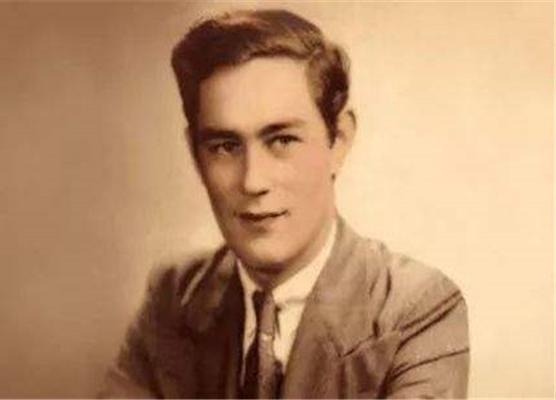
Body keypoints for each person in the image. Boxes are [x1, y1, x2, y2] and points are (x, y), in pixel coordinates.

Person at [99, 8, 469, 399]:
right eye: (225, 146)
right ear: (195, 154)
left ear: (338, 140)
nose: (253, 181)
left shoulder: (416, 310)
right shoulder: (175, 296)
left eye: (282, 140)